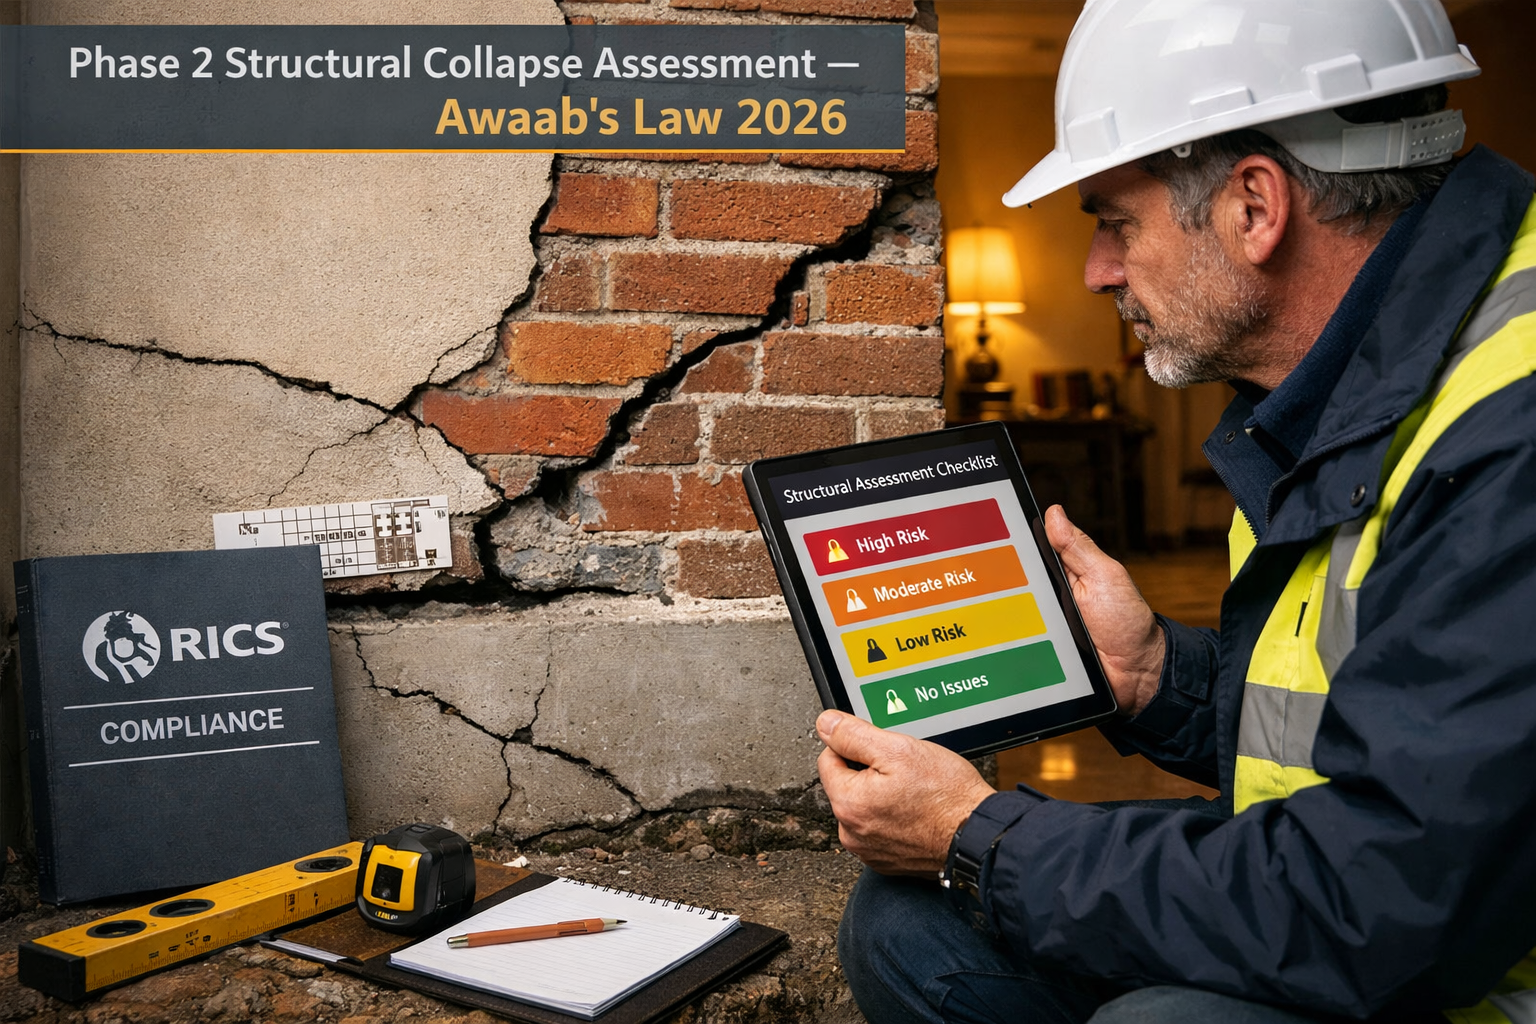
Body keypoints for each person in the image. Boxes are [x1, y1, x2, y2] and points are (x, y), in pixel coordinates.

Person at [819, 2, 1536, 1022]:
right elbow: (1389, 722)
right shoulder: (1338, 389)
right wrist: (1159, 679)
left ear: (1255, 206)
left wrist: (984, 833)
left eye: (1116, 222)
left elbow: (1388, 899)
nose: (1097, 272)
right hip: (1379, 919)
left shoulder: (1509, 425)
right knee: (911, 927)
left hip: (1447, 968)